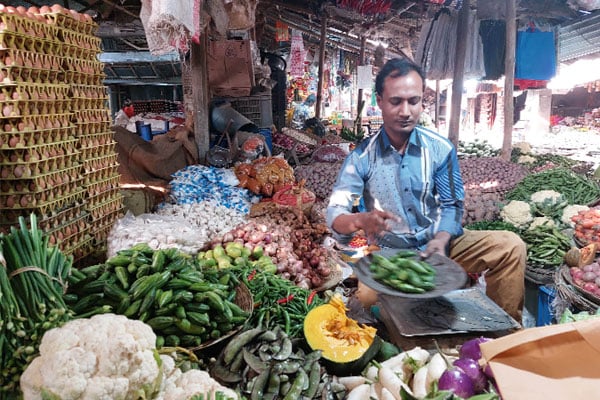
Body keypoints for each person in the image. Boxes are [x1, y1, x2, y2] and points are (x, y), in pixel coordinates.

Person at [326, 57, 526, 322]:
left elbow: (452, 205)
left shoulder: (440, 149)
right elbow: (335, 215)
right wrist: (361, 219)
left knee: (510, 246)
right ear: (380, 101)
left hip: (440, 244)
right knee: (368, 302)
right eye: (396, 101)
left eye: (414, 101)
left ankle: (507, 330)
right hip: (391, 256)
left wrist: (441, 239)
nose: (406, 111)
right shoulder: (361, 158)